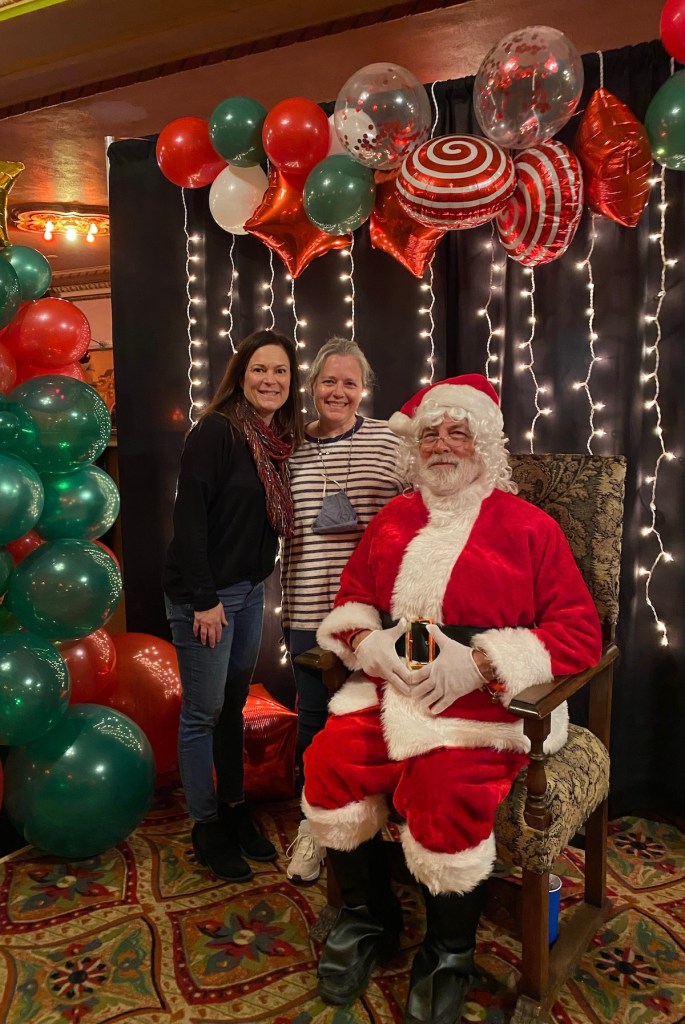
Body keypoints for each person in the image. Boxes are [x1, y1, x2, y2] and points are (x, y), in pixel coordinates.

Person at [300, 374, 602, 1023]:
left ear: (483, 443)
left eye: (457, 432)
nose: (441, 444)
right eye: (430, 434)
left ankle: (448, 951)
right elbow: (352, 597)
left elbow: (580, 632)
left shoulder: (530, 528)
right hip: (392, 691)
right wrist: (365, 641)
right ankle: (369, 918)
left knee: (444, 790)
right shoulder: (392, 519)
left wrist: (485, 662)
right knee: (329, 760)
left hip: (486, 709)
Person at [163, 329, 304, 883]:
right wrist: (204, 599)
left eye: (280, 371)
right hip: (205, 597)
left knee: (232, 704)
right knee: (203, 713)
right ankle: (206, 825)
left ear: (291, 382)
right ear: (241, 376)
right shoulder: (217, 431)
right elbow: (189, 518)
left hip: (247, 592)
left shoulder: (276, 441)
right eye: (259, 369)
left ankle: (234, 807)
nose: (270, 380)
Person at [281, 337, 405, 884]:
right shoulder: (286, 447)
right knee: (313, 716)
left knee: (382, 719)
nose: (338, 391)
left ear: (364, 389)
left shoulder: (389, 442)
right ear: (312, 387)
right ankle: (313, 827)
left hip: (379, 614)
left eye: (349, 383)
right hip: (308, 606)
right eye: (328, 381)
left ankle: (381, 825)